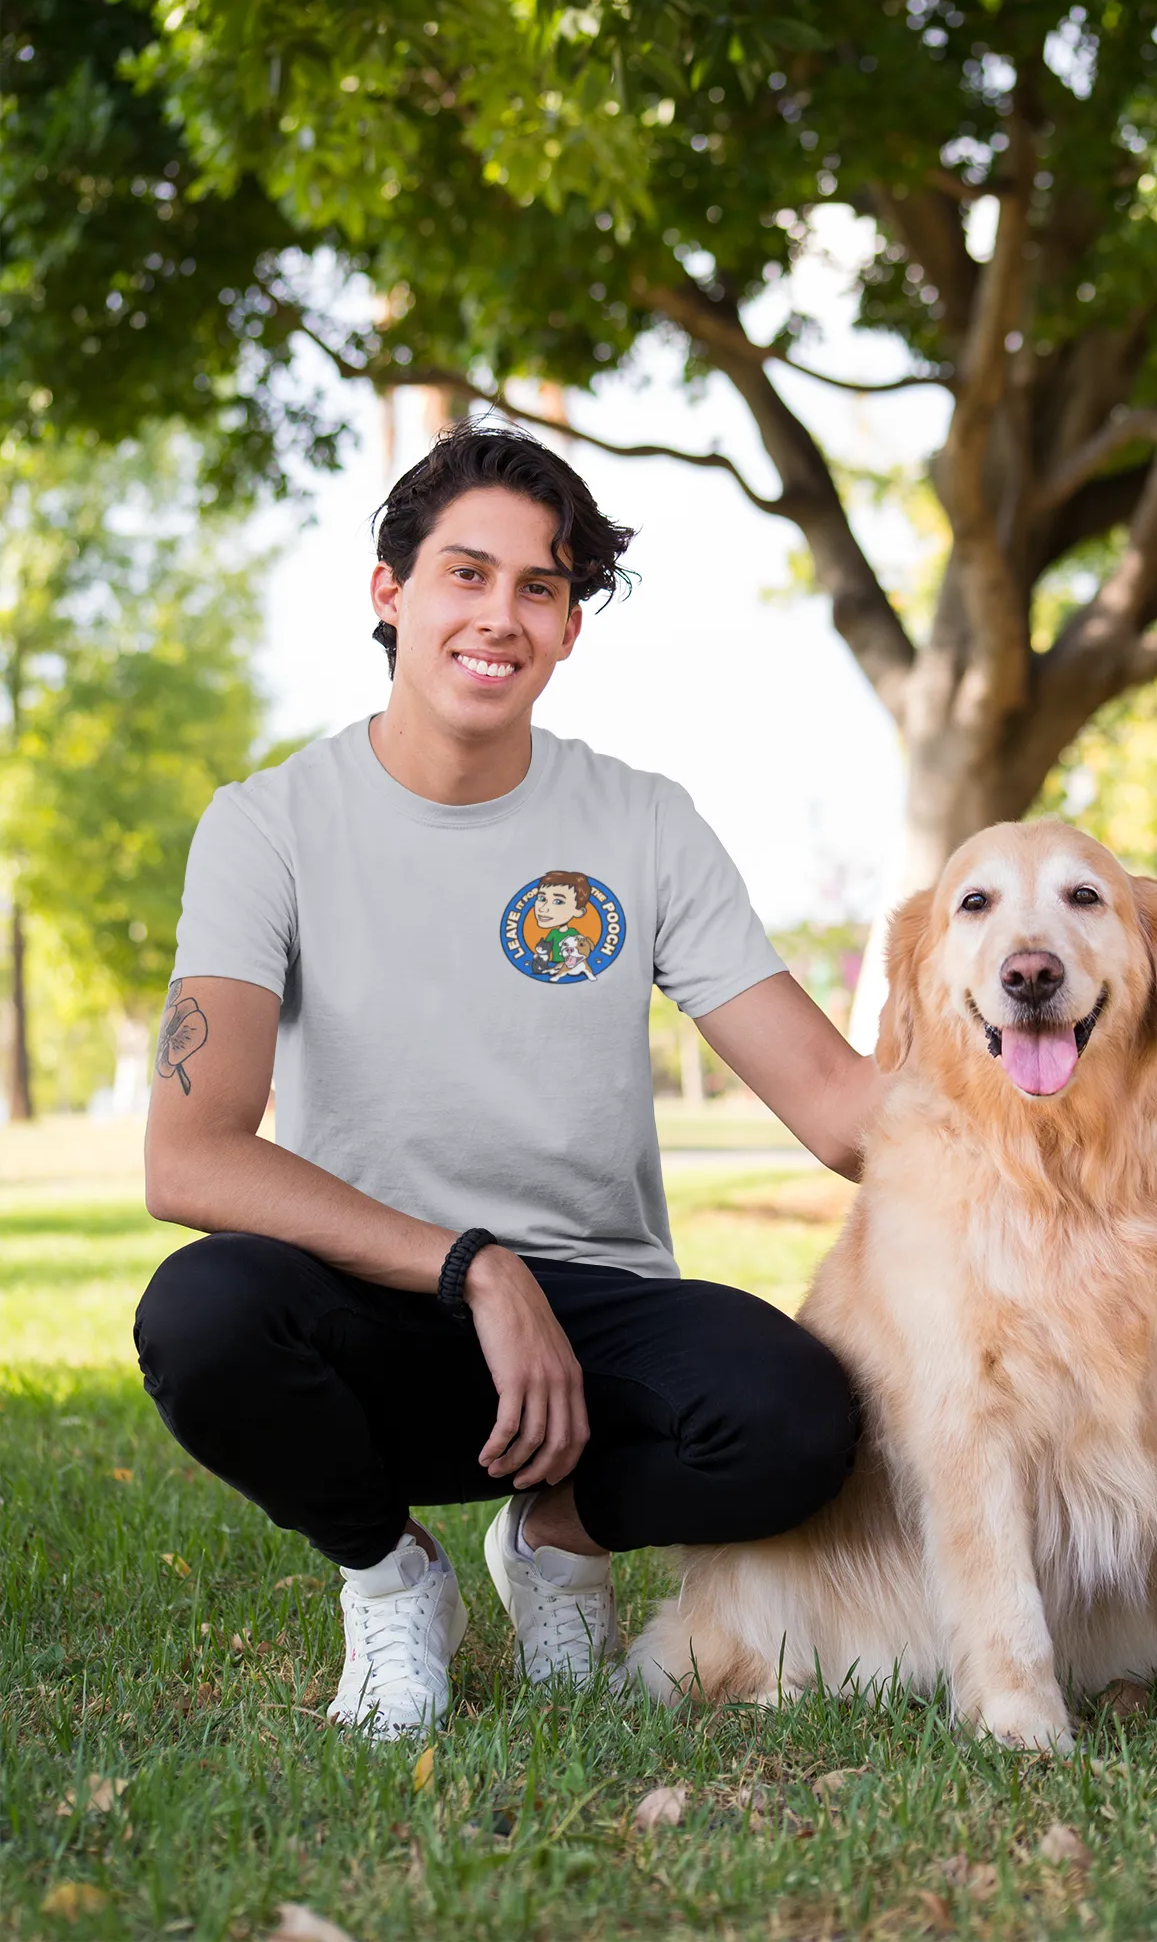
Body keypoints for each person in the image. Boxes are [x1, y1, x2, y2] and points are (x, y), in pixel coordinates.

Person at [135, 422, 881, 1740]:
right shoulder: (267, 826)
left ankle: (557, 1535)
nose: (502, 616)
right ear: (391, 592)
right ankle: (392, 1573)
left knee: (799, 1420)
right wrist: (476, 1265)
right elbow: (190, 1156)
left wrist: (1050, 1078)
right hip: (375, 1303)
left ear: (572, 625)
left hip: (594, 1328)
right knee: (203, 1314)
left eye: (542, 587)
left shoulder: (643, 823)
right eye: (466, 575)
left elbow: (836, 1105)